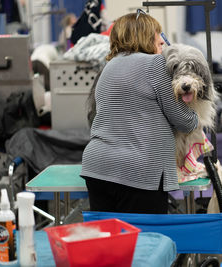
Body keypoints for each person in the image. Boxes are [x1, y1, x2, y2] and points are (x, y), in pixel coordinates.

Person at [81, 11, 198, 214]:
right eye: (158, 36)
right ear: (145, 36)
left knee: (109, 240)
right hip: (138, 173)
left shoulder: (108, 66)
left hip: (97, 167)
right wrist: (195, 114)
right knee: (146, 243)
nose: (162, 42)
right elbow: (184, 121)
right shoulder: (155, 64)